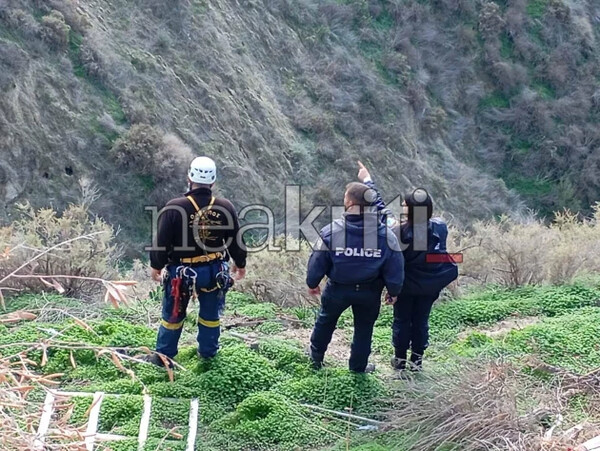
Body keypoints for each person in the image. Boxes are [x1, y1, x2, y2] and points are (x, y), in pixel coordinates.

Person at [357, 161, 458, 372]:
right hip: (430, 285)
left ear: (408, 209)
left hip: (406, 286)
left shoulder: (398, 231)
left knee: (402, 320)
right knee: (421, 321)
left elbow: (380, 208)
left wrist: (368, 180)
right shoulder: (439, 226)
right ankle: (417, 361)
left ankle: (400, 360)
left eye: (404, 204)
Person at [148, 156, 247, 367]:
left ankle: (164, 358)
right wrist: (240, 263)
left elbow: (162, 242)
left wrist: (156, 266)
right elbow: (236, 240)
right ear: (213, 182)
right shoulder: (225, 207)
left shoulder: (175, 207)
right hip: (214, 272)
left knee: (173, 315)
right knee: (210, 315)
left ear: (189, 178)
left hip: (181, 273)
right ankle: (208, 355)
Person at [306, 182, 405, 373]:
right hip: (369, 291)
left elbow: (317, 259)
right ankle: (358, 367)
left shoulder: (331, 231)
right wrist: (394, 291)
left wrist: (313, 282)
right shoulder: (386, 235)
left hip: (337, 289)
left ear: (350, 202)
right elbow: (395, 265)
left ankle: (316, 357)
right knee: (364, 329)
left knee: (326, 320)